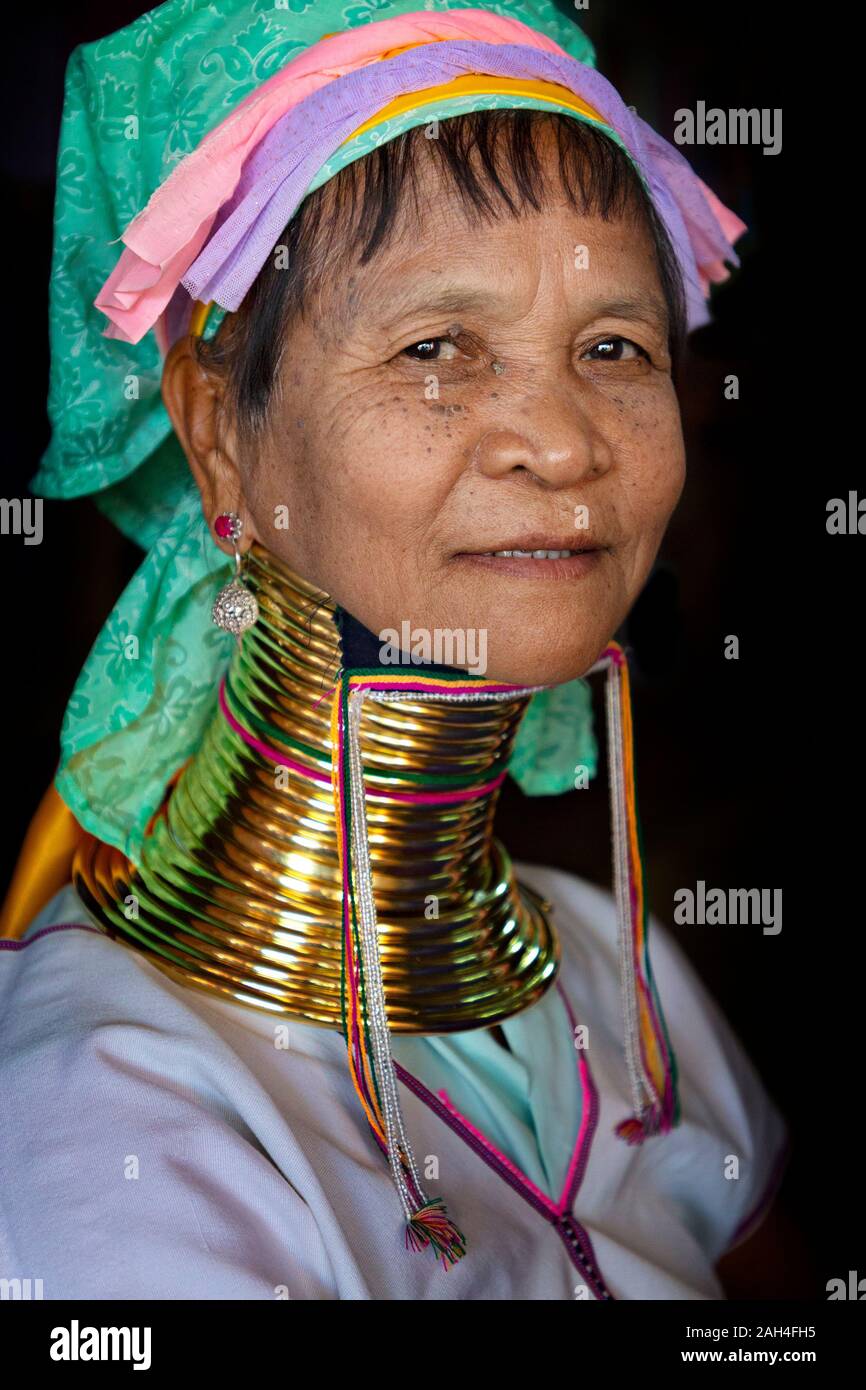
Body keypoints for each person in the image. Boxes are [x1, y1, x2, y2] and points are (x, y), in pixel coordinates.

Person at [0, 0, 792, 1300]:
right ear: (219, 433)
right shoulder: (102, 1104)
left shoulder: (616, 966)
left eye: (612, 348)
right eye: (435, 348)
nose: (560, 442)